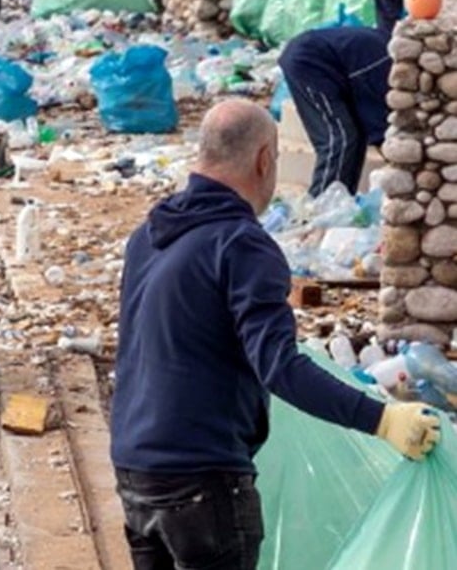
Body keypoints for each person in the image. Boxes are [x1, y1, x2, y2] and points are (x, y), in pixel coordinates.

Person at [112, 99, 440, 570]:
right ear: (265, 159)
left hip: (134, 471)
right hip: (202, 482)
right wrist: (383, 421)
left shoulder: (148, 236)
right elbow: (280, 366)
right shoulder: (241, 243)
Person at [278, 26, 390, 197]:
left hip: (328, 62)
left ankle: (343, 201)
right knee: (339, 137)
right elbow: (379, 127)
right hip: (308, 63)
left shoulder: (389, 55)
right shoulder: (389, 67)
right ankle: (323, 206)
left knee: (355, 137)